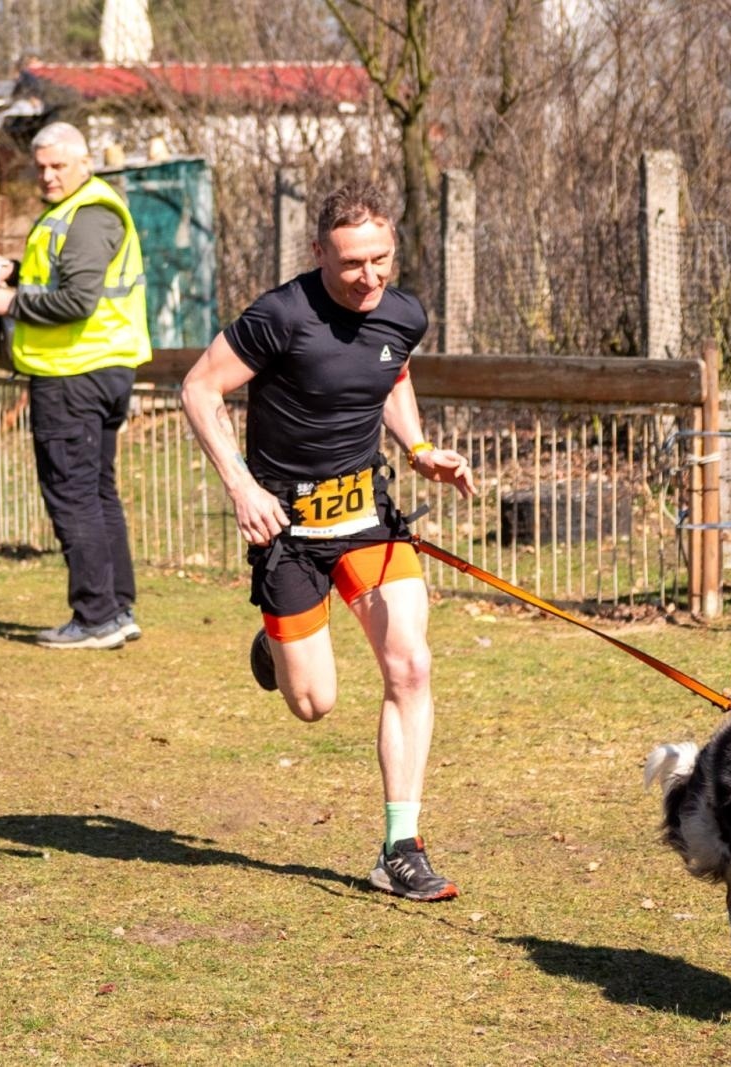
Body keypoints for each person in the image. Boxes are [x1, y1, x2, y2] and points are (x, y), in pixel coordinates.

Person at [179, 182, 475, 901]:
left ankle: (400, 847)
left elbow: (391, 371)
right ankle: (278, 648)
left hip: (365, 519)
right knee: (312, 704)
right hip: (287, 530)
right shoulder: (281, 316)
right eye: (352, 264)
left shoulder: (402, 312)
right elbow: (198, 389)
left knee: (410, 664)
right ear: (319, 254)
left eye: (381, 258)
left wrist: (418, 445)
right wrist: (243, 488)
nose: (370, 276)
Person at [0, 122, 150, 650]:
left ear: (84, 163)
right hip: (100, 369)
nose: (48, 175)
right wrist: (18, 276)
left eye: (58, 166)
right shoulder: (83, 211)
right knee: (98, 492)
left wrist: (9, 303)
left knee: (73, 495)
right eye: (41, 167)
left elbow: (78, 302)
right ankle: (116, 608)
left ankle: (96, 616)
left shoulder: (87, 215)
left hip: (72, 374)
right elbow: (70, 283)